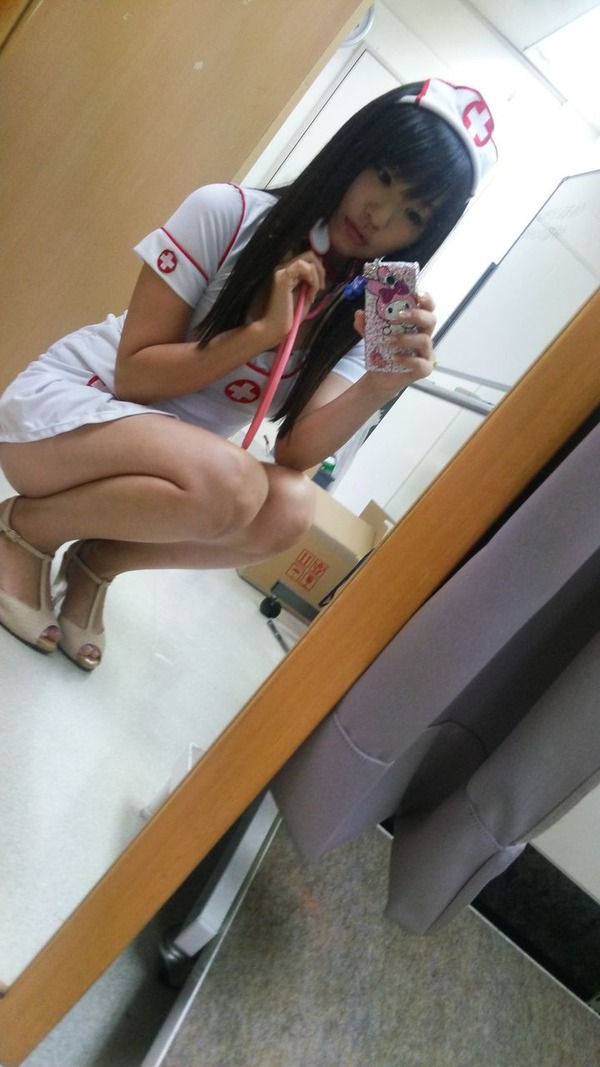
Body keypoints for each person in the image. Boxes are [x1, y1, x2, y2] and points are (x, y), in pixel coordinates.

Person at [0, 78, 497, 670]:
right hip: (65, 417)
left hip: (171, 467)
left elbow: (294, 454)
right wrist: (258, 334)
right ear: (356, 149)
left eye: (412, 213)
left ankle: (97, 562)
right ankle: (24, 530)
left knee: (290, 509)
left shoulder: (362, 312)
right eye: (384, 174)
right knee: (232, 483)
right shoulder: (227, 213)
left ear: (424, 235)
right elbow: (133, 375)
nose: (380, 214)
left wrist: (376, 387)